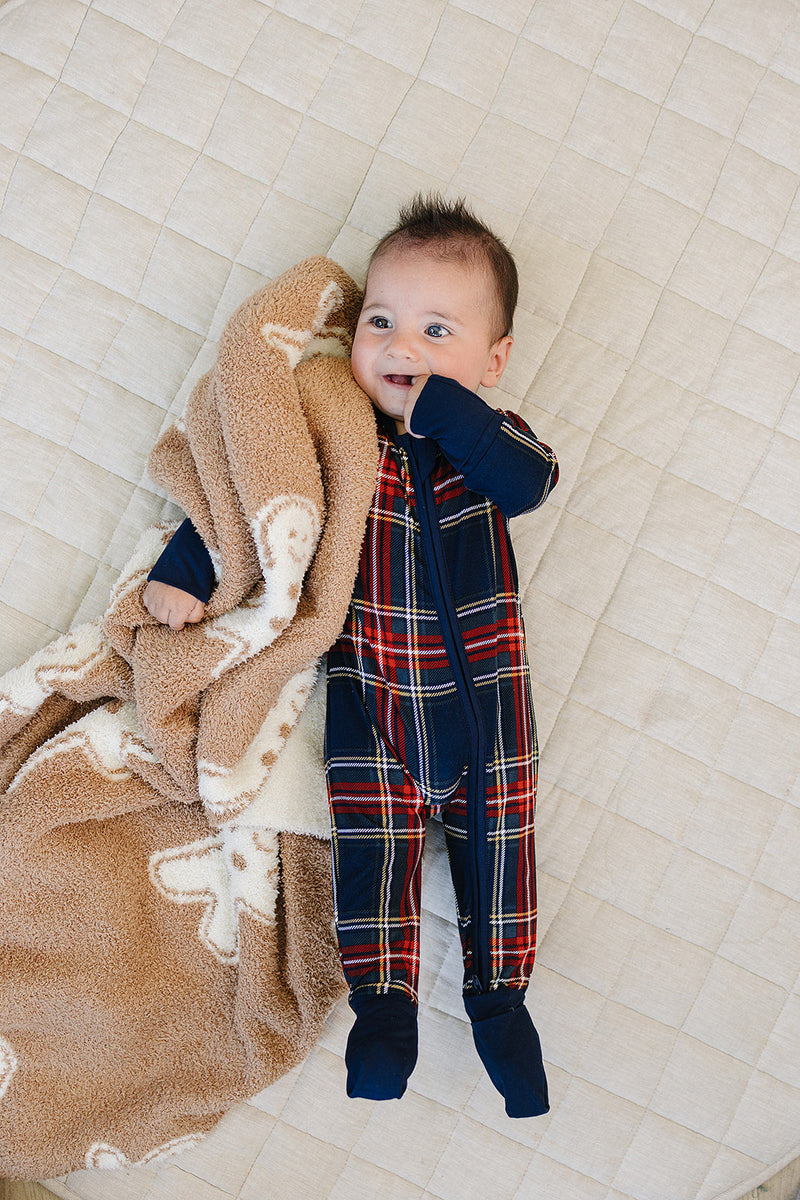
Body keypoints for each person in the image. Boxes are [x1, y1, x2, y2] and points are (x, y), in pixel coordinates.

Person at [143, 194, 558, 1117]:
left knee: (505, 856)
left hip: (489, 714)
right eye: (381, 320)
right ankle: (384, 1013)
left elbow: (532, 483)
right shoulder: (335, 437)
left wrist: (452, 412)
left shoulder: (488, 445)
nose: (400, 347)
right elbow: (258, 504)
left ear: (491, 361)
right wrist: (188, 566)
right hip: (372, 710)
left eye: (435, 330)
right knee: (375, 858)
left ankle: (500, 1003)